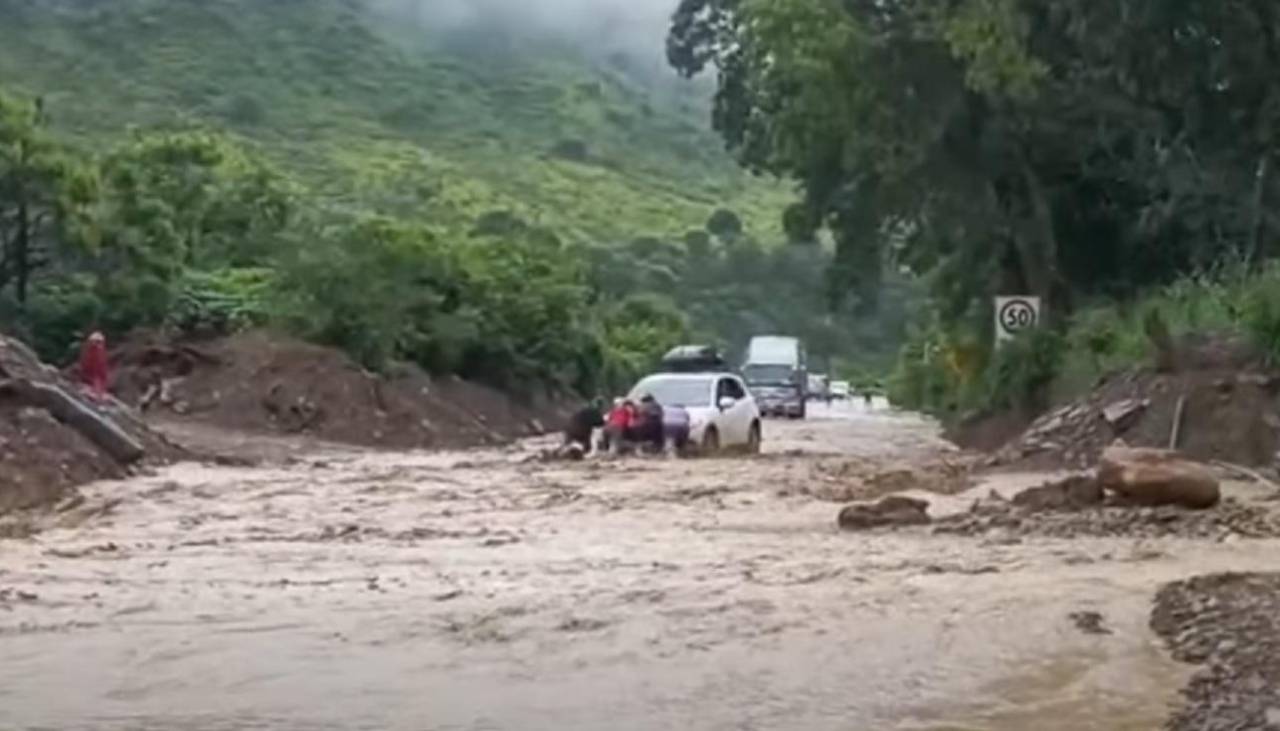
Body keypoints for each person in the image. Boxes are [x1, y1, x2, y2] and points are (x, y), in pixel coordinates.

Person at [77, 331, 110, 402]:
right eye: (94, 341)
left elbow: (101, 366)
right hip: (90, 375)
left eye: (98, 342)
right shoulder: (90, 351)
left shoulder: (99, 351)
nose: (95, 344)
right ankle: (94, 394)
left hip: (97, 376)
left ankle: (98, 397)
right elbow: (85, 363)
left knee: (97, 381)